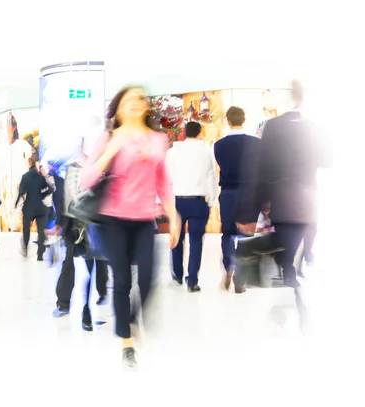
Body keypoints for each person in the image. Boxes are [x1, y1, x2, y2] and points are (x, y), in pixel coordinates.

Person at [82, 86, 180, 371]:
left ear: (146, 107)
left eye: (141, 98)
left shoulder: (158, 140)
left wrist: (173, 214)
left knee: (148, 279)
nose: (136, 102)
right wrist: (110, 151)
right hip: (112, 220)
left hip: (144, 221)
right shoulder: (109, 138)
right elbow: (87, 179)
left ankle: (131, 318)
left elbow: (163, 181)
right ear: (119, 108)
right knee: (122, 280)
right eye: (129, 99)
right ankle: (126, 343)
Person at [236, 80, 331, 289]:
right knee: (291, 239)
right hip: (304, 200)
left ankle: (286, 269)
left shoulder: (274, 126)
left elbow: (261, 167)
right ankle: (285, 269)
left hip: (282, 198)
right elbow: (328, 160)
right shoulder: (314, 129)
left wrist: (253, 209)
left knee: (284, 240)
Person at [52, 158, 109, 332]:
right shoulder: (70, 169)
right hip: (73, 222)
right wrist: (60, 222)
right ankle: (63, 303)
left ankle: (101, 292)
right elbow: (63, 198)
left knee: (96, 263)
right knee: (69, 262)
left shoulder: (100, 167)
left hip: (93, 222)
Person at [214, 107, 261, 292]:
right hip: (249, 193)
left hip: (228, 193)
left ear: (227, 120)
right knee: (245, 237)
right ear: (244, 119)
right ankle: (240, 281)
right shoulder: (256, 144)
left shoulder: (218, 145)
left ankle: (229, 265)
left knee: (227, 233)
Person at [166, 121, 217, 292]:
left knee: (177, 239)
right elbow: (211, 178)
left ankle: (177, 274)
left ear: (184, 133)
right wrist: (211, 201)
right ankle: (192, 280)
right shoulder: (206, 152)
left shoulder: (172, 152)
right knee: (196, 242)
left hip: (177, 201)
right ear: (199, 133)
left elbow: (166, 178)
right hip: (198, 201)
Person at [15, 157, 54, 260]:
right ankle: (40, 255)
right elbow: (51, 188)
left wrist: (16, 204)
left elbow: (21, 193)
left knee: (26, 229)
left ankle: (26, 249)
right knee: (41, 231)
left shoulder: (25, 177)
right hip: (41, 207)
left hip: (29, 207)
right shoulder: (41, 178)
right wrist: (42, 195)